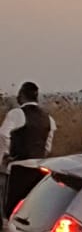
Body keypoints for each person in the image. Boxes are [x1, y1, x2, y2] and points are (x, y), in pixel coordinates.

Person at [1, 82, 56, 220]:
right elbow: (48, 144)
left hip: (19, 166)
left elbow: (3, 134)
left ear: (22, 95)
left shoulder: (17, 113)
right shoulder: (48, 118)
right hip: (39, 166)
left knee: (12, 206)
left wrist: (7, 153)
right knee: (32, 205)